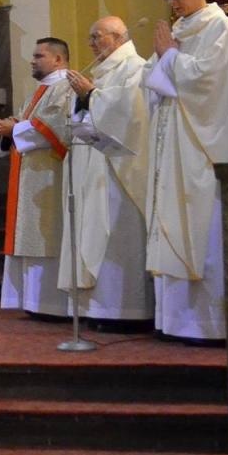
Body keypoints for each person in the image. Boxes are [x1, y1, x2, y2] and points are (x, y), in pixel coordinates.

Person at [144, 0, 228, 342]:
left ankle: (207, 325)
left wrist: (169, 57)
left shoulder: (219, 28)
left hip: (204, 149)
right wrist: (164, 58)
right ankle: (175, 320)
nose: (173, 2)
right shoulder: (177, 31)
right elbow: (152, 82)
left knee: (202, 225)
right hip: (173, 145)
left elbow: (208, 82)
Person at [60, 17, 153, 324]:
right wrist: (84, 100)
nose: (91, 44)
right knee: (93, 231)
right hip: (94, 165)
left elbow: (132, 113)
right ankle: (97, 308)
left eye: (96, 37)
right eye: (90, 37)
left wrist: (91, 95)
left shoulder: (135, 68)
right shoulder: (101, 71)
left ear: (117, 37)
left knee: (117, 234)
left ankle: (126, 310)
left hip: (120, 169)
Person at [0, 38, 75, 318]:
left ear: (59, 60)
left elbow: (55, 127)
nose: (33, 60)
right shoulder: (40, 90)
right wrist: (12, 129)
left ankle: (52, 304)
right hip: (31, 174)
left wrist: (13, 130)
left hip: (49, 177)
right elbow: (30, 126)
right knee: (31, 235)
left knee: (46, 233)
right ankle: (34, 302)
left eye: (39, 55)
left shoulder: (66, 87)